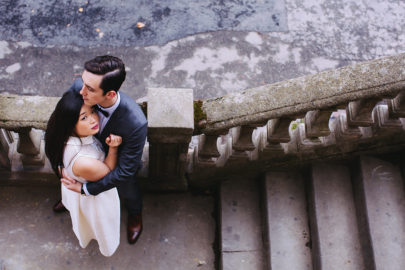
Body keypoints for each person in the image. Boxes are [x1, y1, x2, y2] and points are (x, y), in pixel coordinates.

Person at [54, 55, 148, 245]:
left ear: (110, 94)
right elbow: (57, 126)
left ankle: (135, 216)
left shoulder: (136, 123)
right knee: (70, 182)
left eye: (89, 88)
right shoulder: (79, 90)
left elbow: (126, 170)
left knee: (129, 191)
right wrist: (58, 165)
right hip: (83, 155)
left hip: (118, 168)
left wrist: (86, 189)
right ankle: (70, 200)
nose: (81, 91)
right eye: (83, 81)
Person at [45, 90, 123, 256]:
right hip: (94, 197)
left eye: (93, 111)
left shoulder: (64, 137)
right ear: (70, 124)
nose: (94, 119)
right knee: (99, 223)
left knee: (81, 216)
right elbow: (107, 170)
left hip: (75, 185)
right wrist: (114, 148)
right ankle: (105, 245)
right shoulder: (84, 162)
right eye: (84, 118)